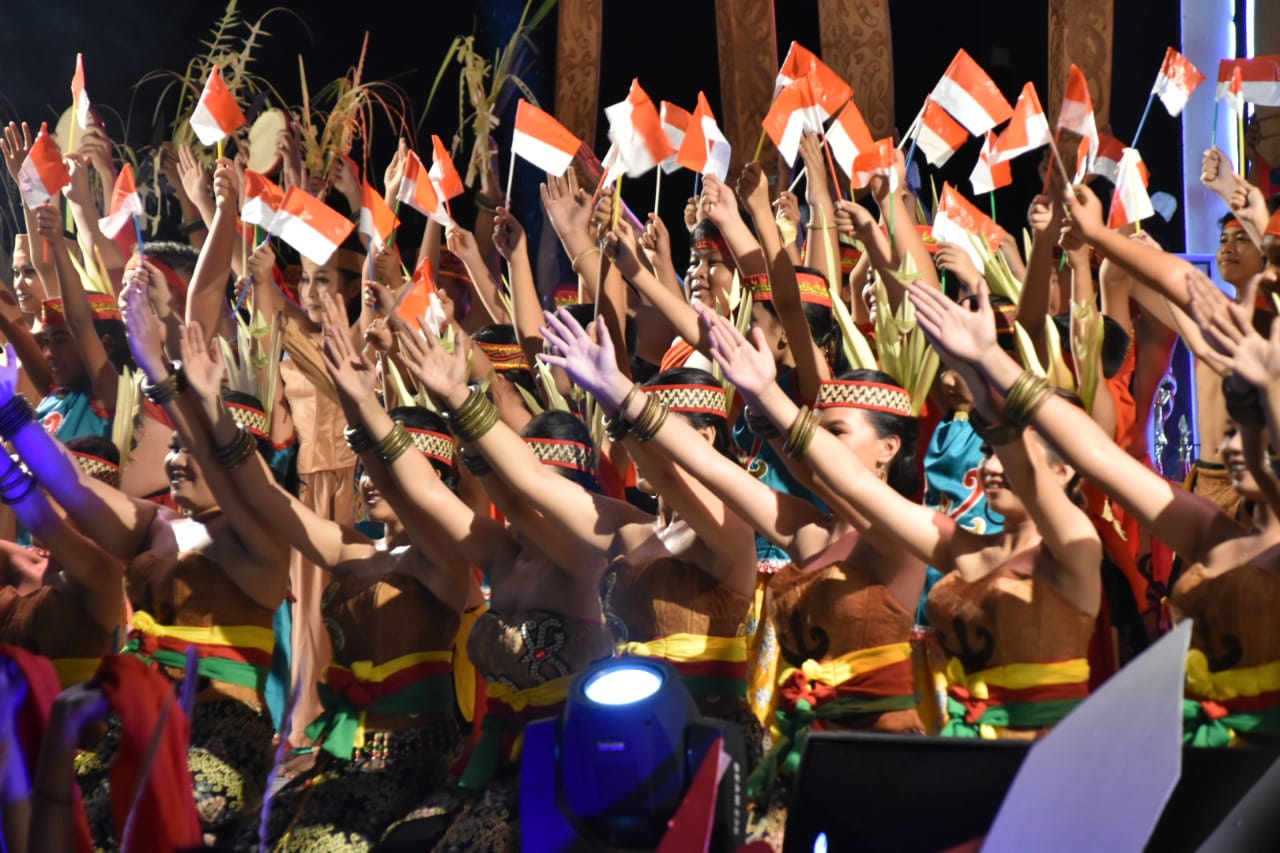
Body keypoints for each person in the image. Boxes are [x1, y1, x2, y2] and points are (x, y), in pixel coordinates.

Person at [907, 271, 1280, 747]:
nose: (1234, 445)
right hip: (1199, 774)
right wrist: (990, 363)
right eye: (1238, 427)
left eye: (1258, 425)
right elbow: (1095, 457)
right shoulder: (1212, 534)